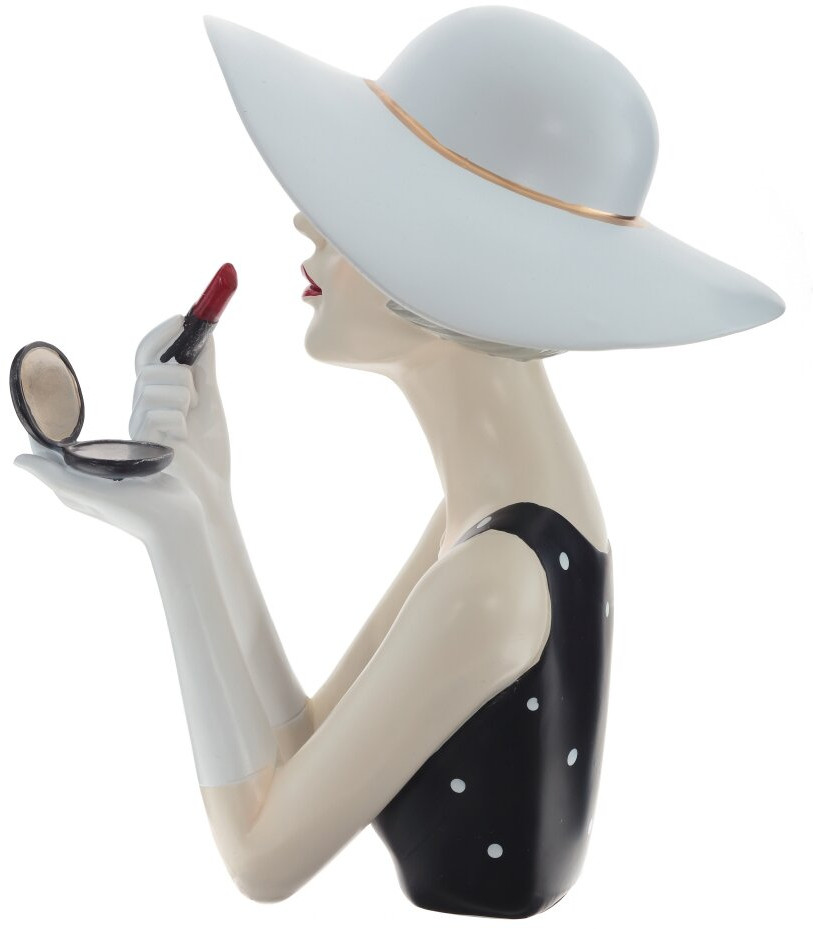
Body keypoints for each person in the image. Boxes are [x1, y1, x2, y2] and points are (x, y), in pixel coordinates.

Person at [12, 6, 784, 920]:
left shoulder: (492, 579)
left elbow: (261, 857)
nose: (307, 221)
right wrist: (210, 501)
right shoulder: (497, 515)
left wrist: (175, 544)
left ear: (454, 273)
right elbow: (303, 748)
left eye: (359, 205)